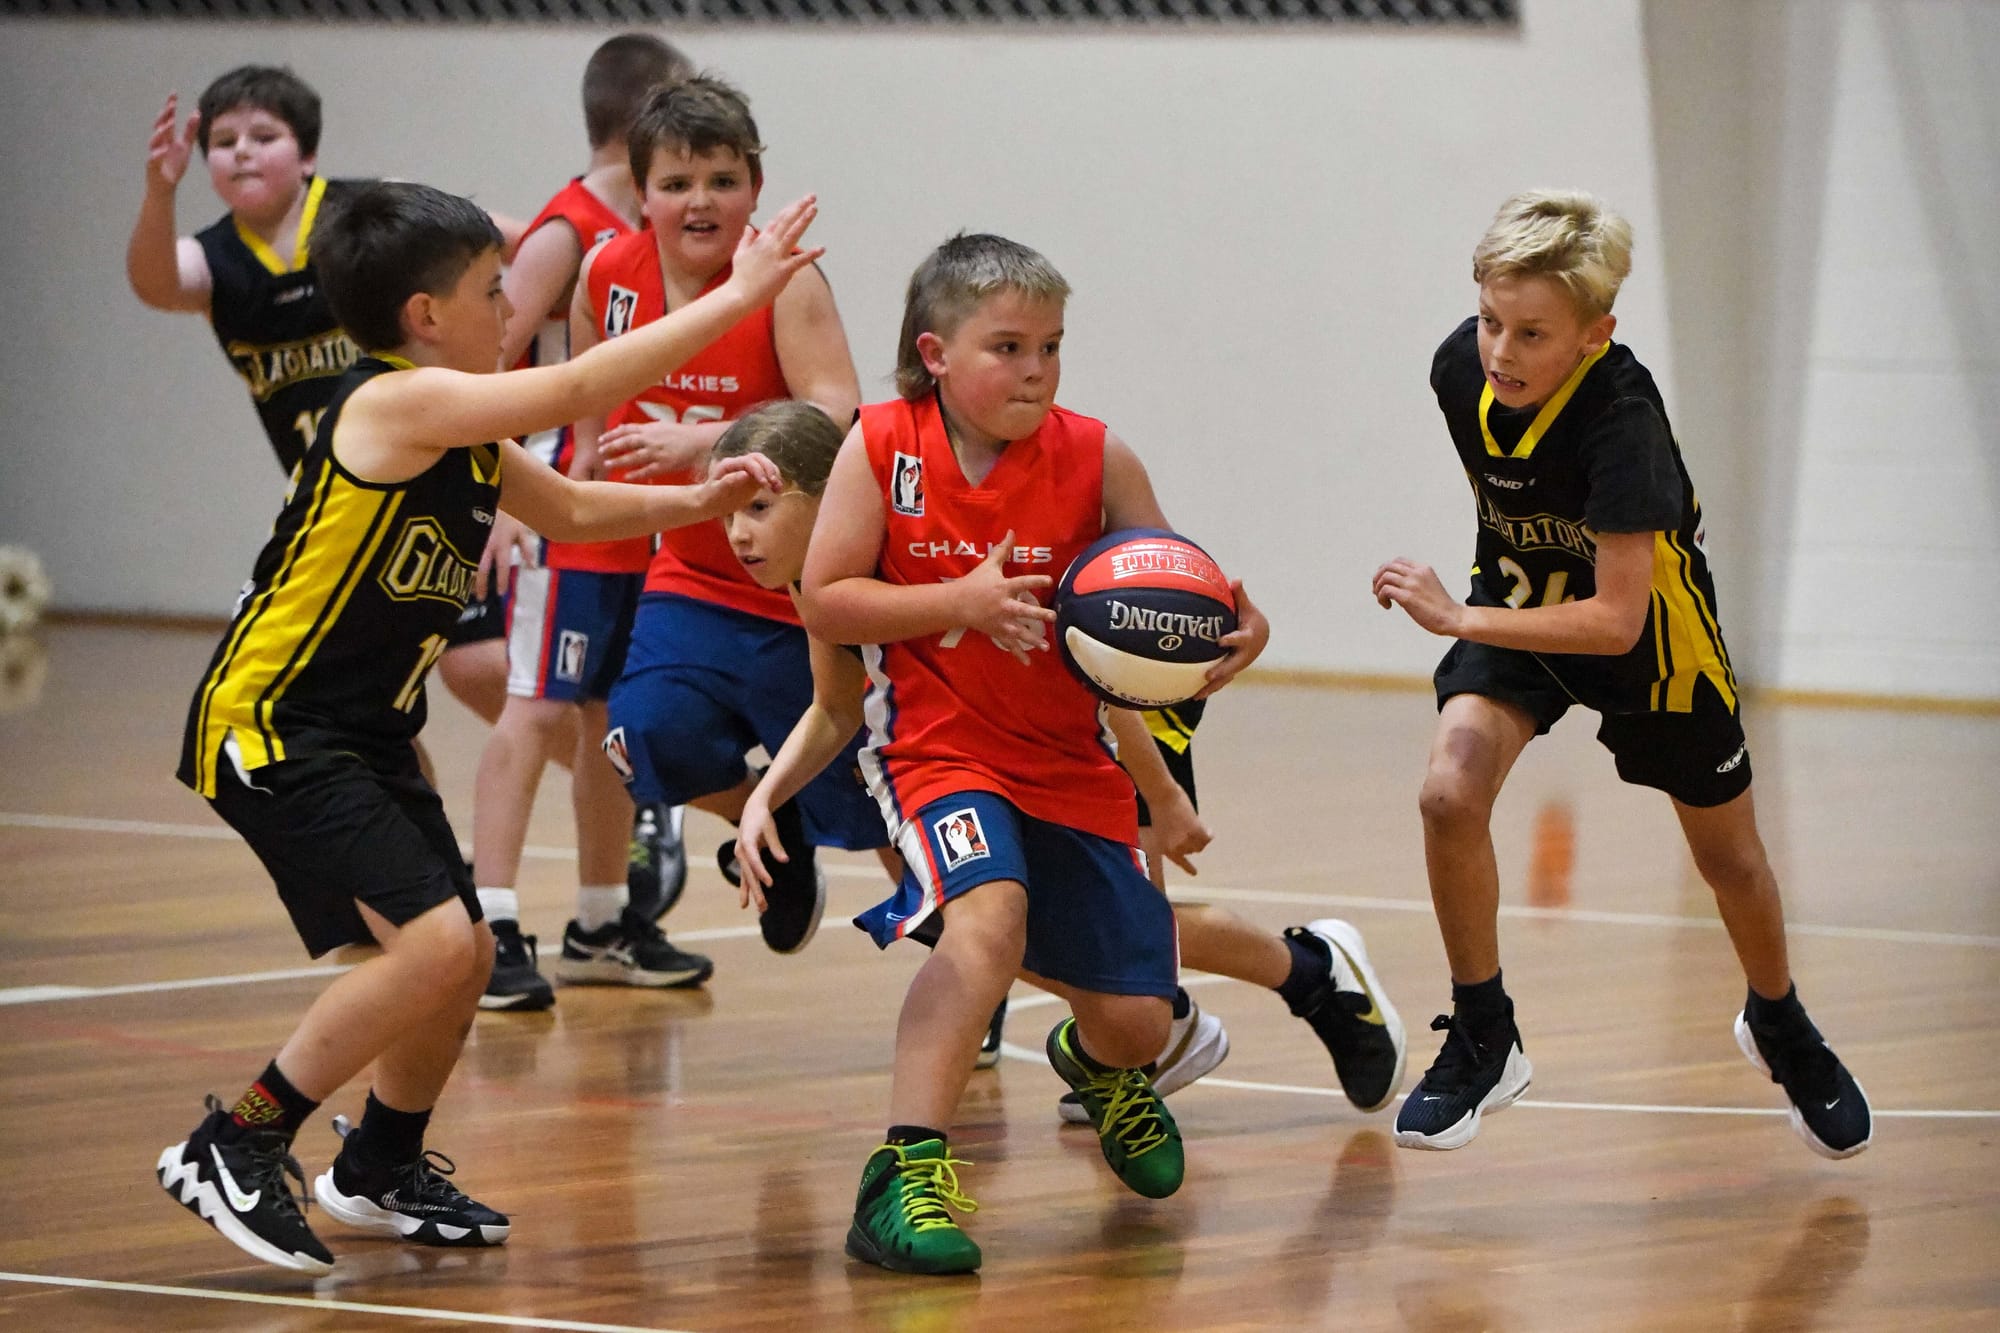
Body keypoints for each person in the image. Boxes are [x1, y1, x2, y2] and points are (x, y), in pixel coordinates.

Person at [156, 179, 823, 1275]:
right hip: (273, 723)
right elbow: (577, 381)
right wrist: (735, 299)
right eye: (491, 287)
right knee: (433, 946)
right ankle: (238, 1138)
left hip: (361, 729)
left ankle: (377, 1163)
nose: (510, 301)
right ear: (425, 315)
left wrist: (699, 502)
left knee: (460, 954)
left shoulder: (460, 434)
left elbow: (569, 508)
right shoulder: (391, 402)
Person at [714, 411, 1407, 1126]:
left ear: (832, 495)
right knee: (1007, 925)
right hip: (998, 750)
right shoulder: (821, 585)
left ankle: (1311, 976)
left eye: (758, 508)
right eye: (727, 514)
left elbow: (1098, 690)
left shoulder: (917, 544)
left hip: (1119, 711)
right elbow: (836, 707)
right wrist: (767, 793)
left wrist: (1161, 795)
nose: (738, 534)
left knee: (1122, 928)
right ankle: (1191, 1021)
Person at [799, 233, 1269, 1275]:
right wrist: (956, 602)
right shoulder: (879, 445)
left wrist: (1237, 631)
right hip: (932, 746)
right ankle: (901, 1176)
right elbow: (825, 596)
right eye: (1006, 346)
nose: (1034, 370)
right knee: (986, 920)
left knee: (1138, 1018)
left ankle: (1099, 1068)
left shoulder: (1097, 455)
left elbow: (1180, 588)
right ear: (933, 352)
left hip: (1066, 755)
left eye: (1049, 347)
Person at [1371, 189, 1870, 1158]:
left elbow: (1615, 616)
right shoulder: (1454, 373)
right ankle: (1484, 1032)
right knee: (1445, 793)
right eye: (1488, 321)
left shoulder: (1622, 426)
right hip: (1518, 606)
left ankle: (1778, 1018)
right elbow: (1512, 494)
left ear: (1595, 335)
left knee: (1730, 860)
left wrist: (1453, 615)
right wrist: (1488, 609)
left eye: (1530, 333)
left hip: (1647, 641)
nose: (1500, 352)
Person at [577, 75, 874, 962]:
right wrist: (586, 451)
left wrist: (701, 446)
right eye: (676, 183)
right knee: (634, 740)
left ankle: (959, 946)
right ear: (642, 194)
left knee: (872, 799)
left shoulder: (786, 282)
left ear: (753, 185)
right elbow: (586, 379)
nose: (699, 200)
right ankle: (769, 817)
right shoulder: (607, 272)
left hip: (798, 585)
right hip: (693, 577)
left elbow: (837, 412)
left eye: (721, 180)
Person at [124, 64, 519, 729]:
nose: (241, 150)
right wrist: (160, 190)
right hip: (341, 508)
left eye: (263, 134)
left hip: (432, 479)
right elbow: (156, 284)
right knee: (345, 700)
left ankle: (638, 786)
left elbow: (521, 241)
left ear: (307, 153)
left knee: (478, 665)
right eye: (223, 141)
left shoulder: (368, 220)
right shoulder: (216, 259)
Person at [471, 33, 700, 1011]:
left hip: (639, 509)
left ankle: (602, 921)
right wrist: (496, 495)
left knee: (612, 719)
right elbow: (491, 358)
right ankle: (490, 922)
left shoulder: (661, 231)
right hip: (569, 506)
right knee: (536, 704)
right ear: (649, 114)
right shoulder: (567, 231)